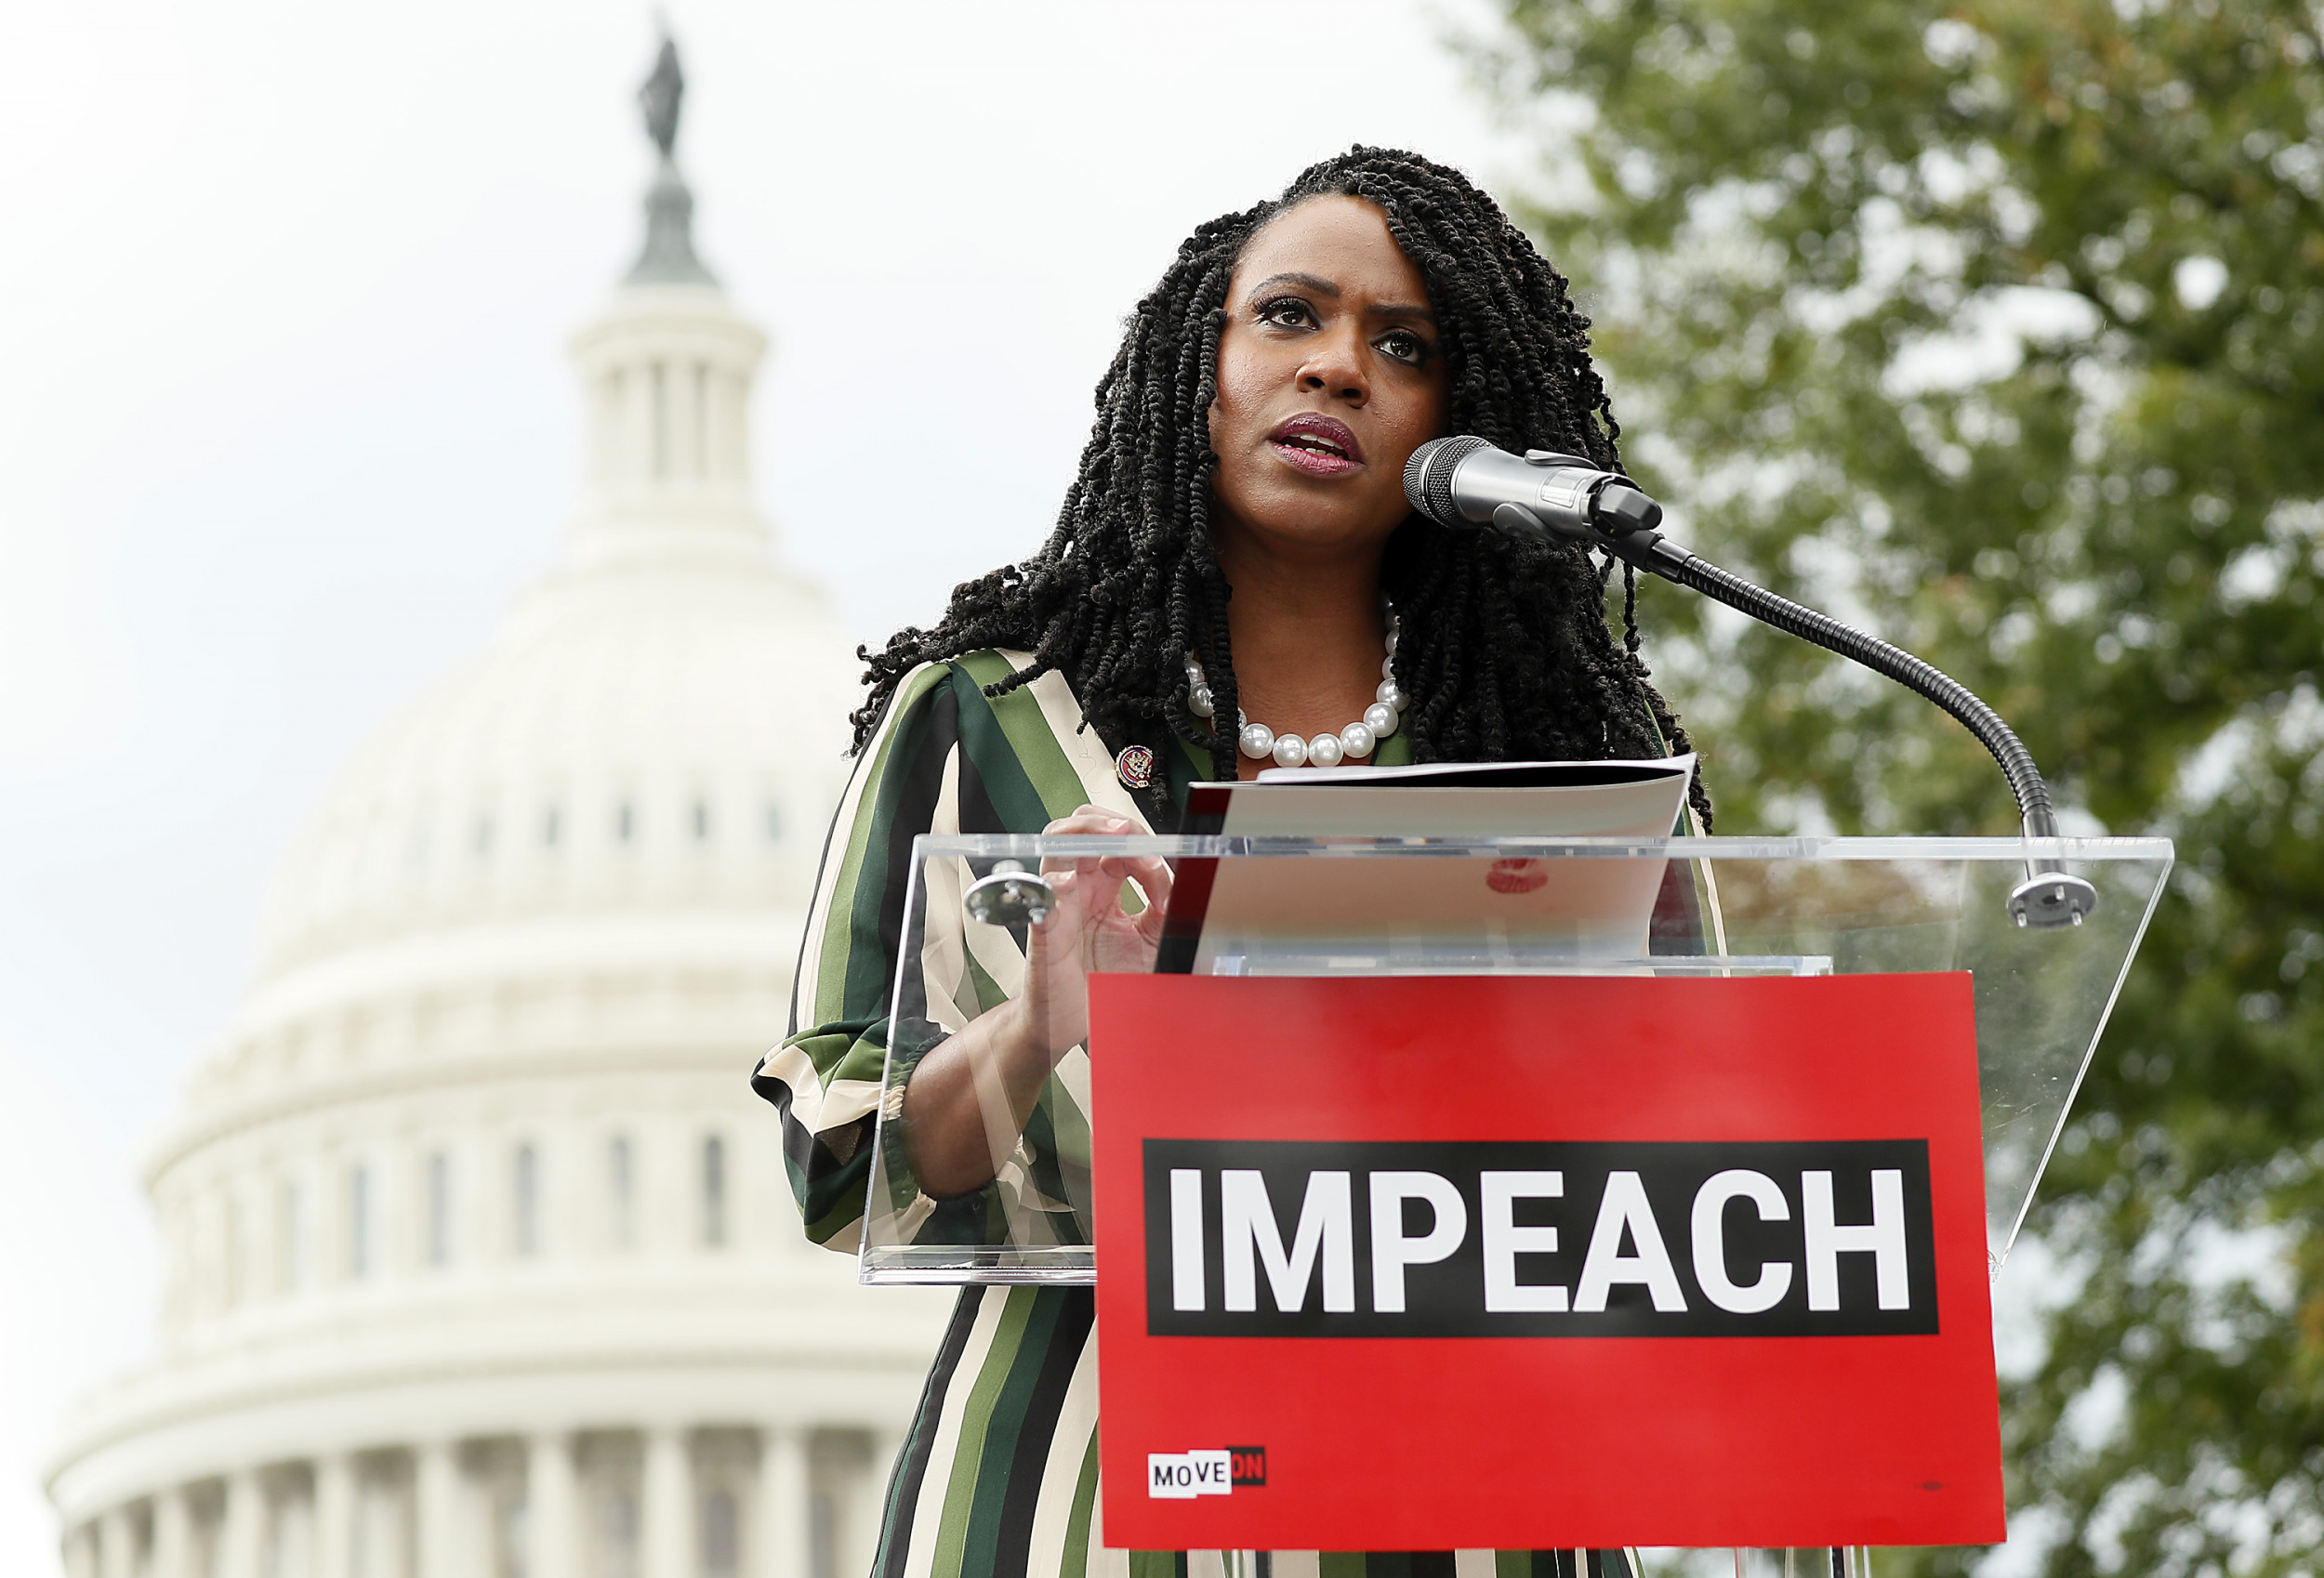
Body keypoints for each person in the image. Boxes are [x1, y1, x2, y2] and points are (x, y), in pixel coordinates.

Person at [754, 146, 1708, 1578]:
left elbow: (1716, 1146)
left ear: (1466, 420)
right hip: (1071, 1502)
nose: (1336, 368)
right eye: (1290, 317)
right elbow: (850, 1163)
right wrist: (1038, 1024)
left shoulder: (1581, 757)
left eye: (1405, 347)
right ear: (1196, 361)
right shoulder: (983, 716)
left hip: (1475, 1504)